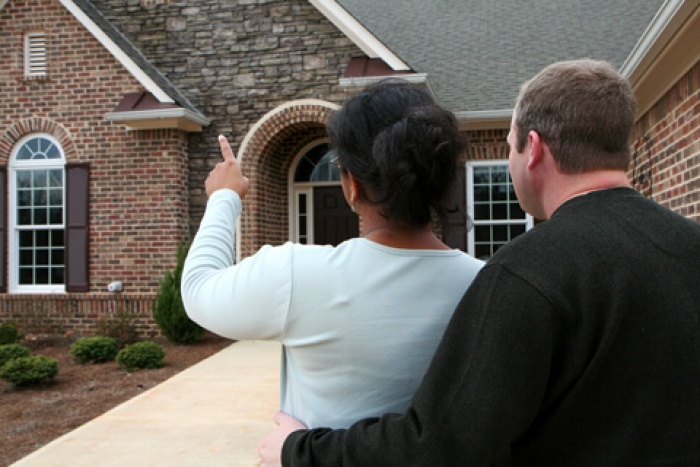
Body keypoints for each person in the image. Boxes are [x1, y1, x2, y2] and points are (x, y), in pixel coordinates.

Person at [259, 59, 700, 466]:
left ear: (534, 149)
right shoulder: (690, 246)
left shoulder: (529, 273)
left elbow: (438, 446)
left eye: (509, 146)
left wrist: (298, 450)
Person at [181, 81, 484, 430]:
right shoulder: (485, 283)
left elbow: (197, 288)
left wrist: (224, 197)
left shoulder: (297, 276)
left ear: (352, 184)